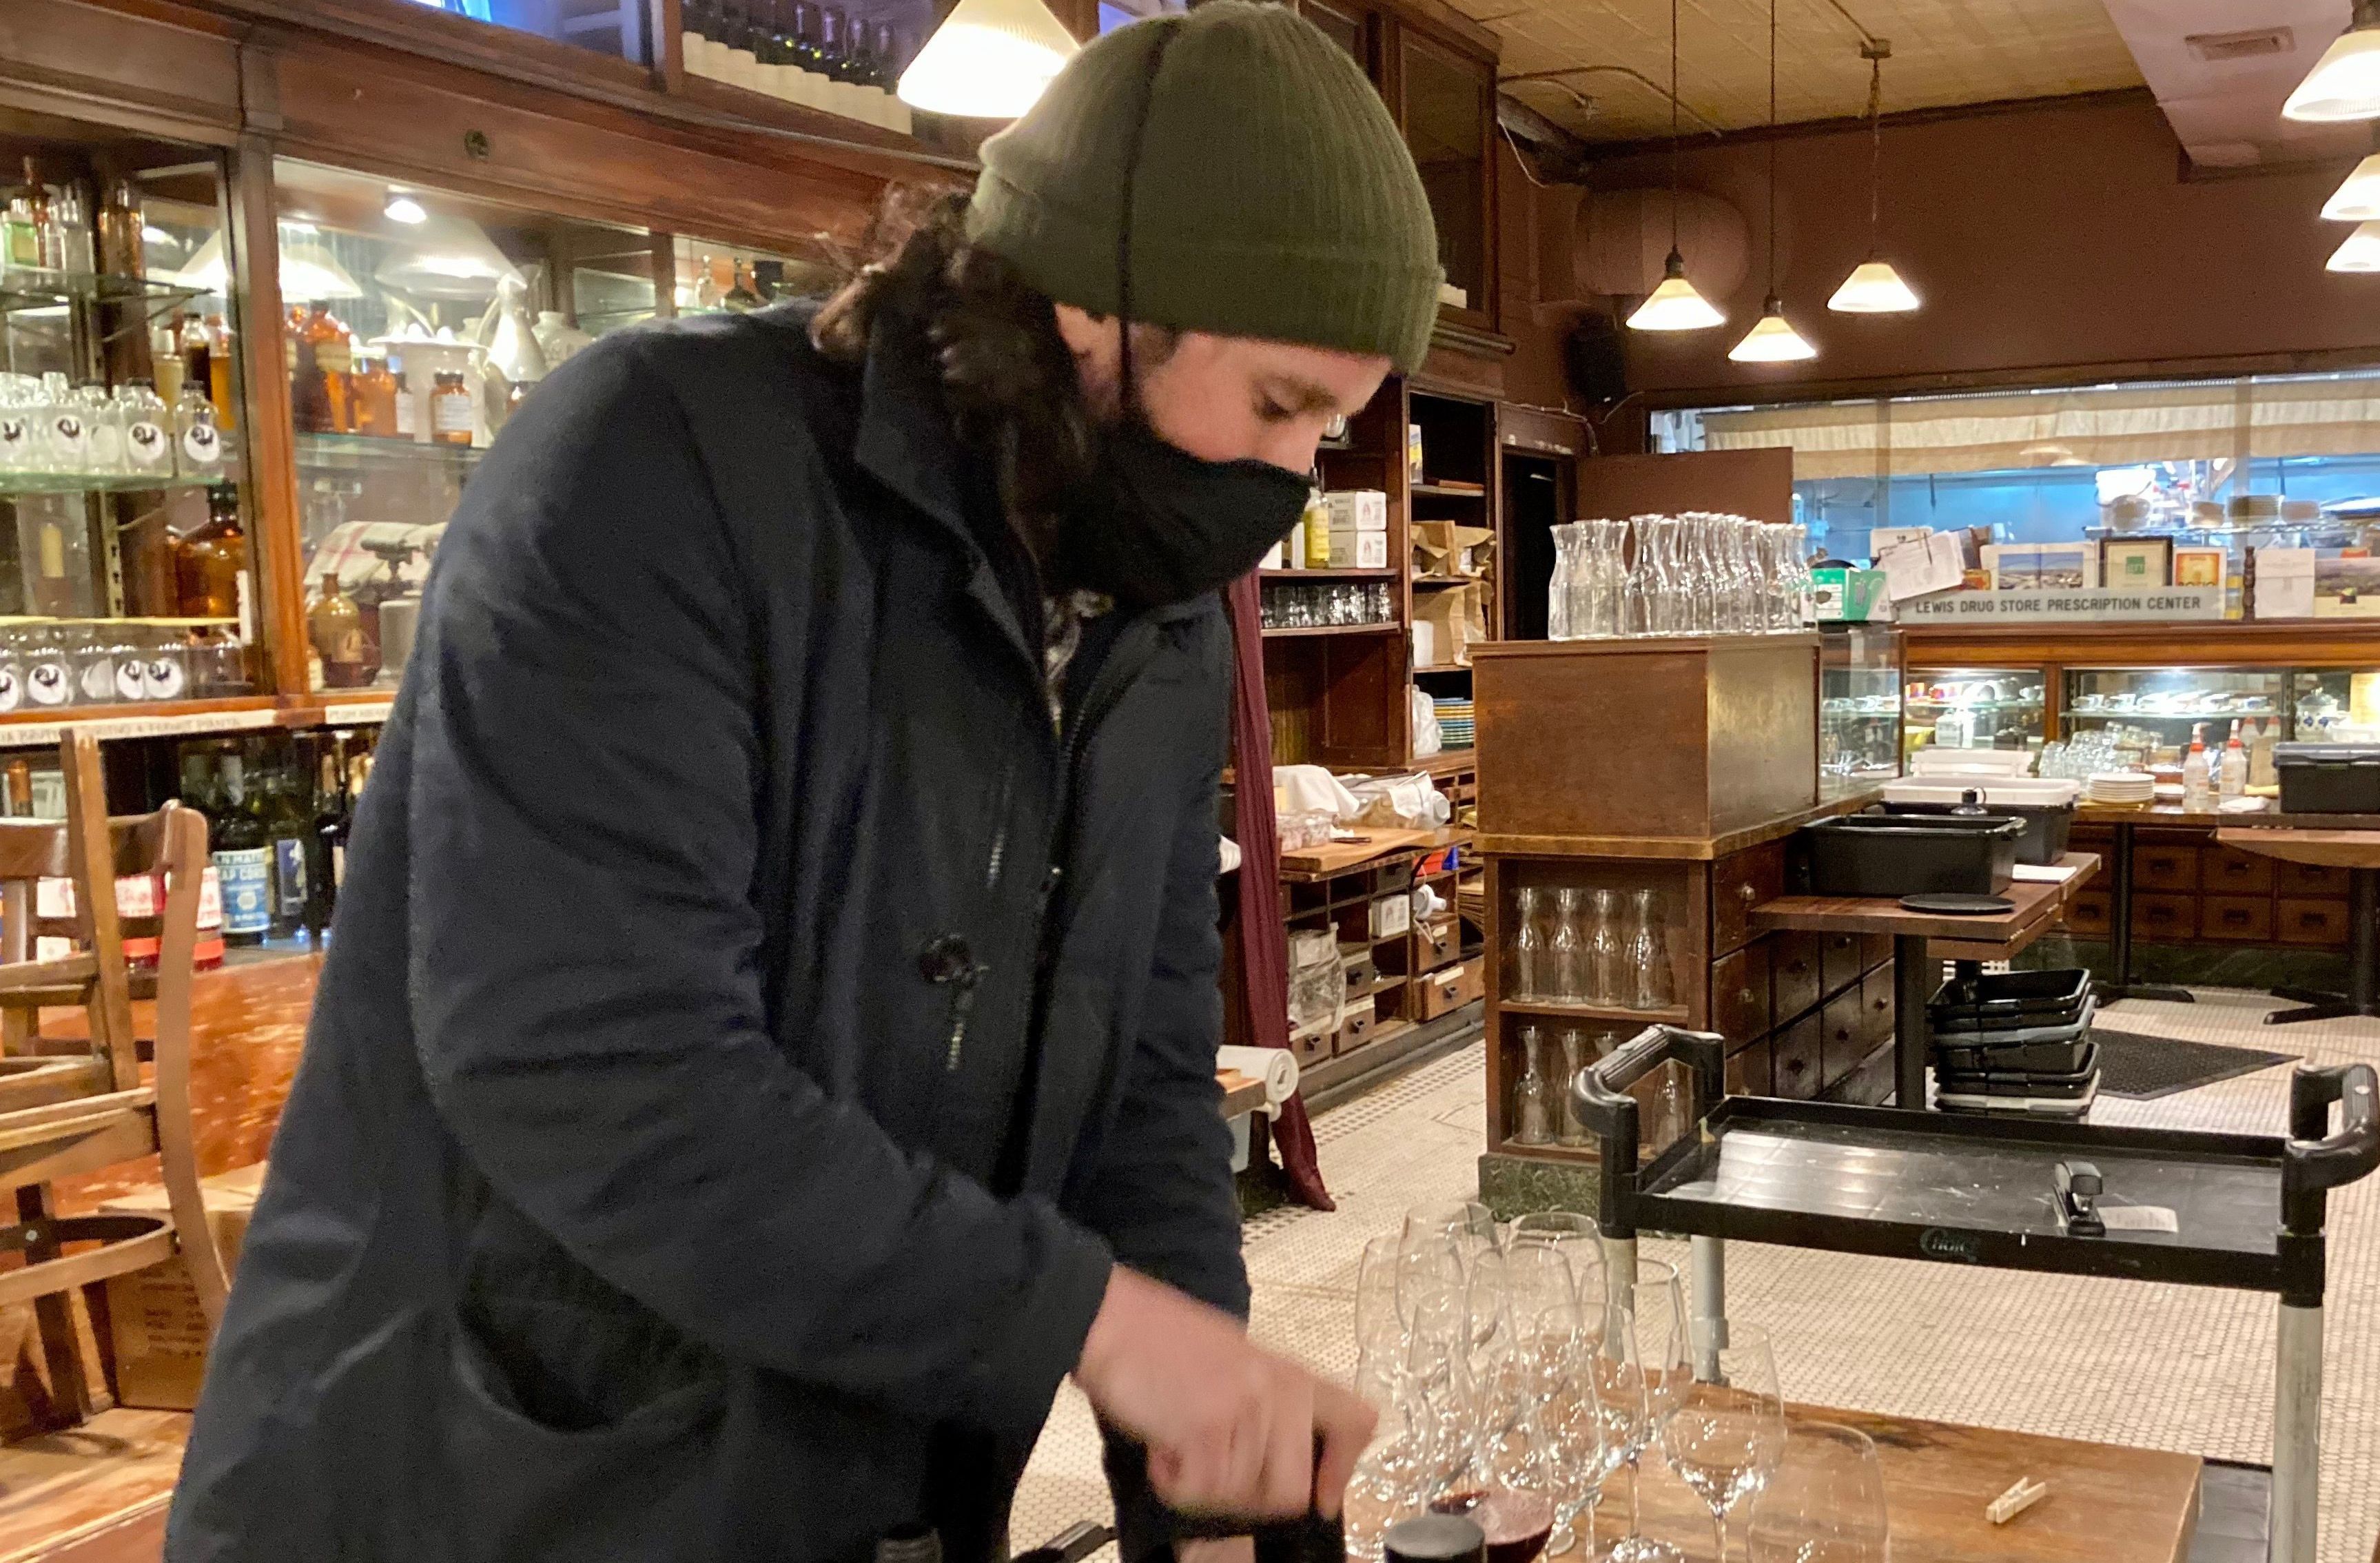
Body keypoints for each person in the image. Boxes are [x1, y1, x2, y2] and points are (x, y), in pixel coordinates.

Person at [165, 7, 1442, 1560]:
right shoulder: (654, 463)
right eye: (1280, 407)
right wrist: (1094, 1324)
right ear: (1094, 310)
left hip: (869, 1486)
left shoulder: (1152, 614)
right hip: (489, 1481)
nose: (1295, 479)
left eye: (1334, 429)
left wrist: (1206, 1487)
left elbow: (1148, 1093)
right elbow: (595, 1069)